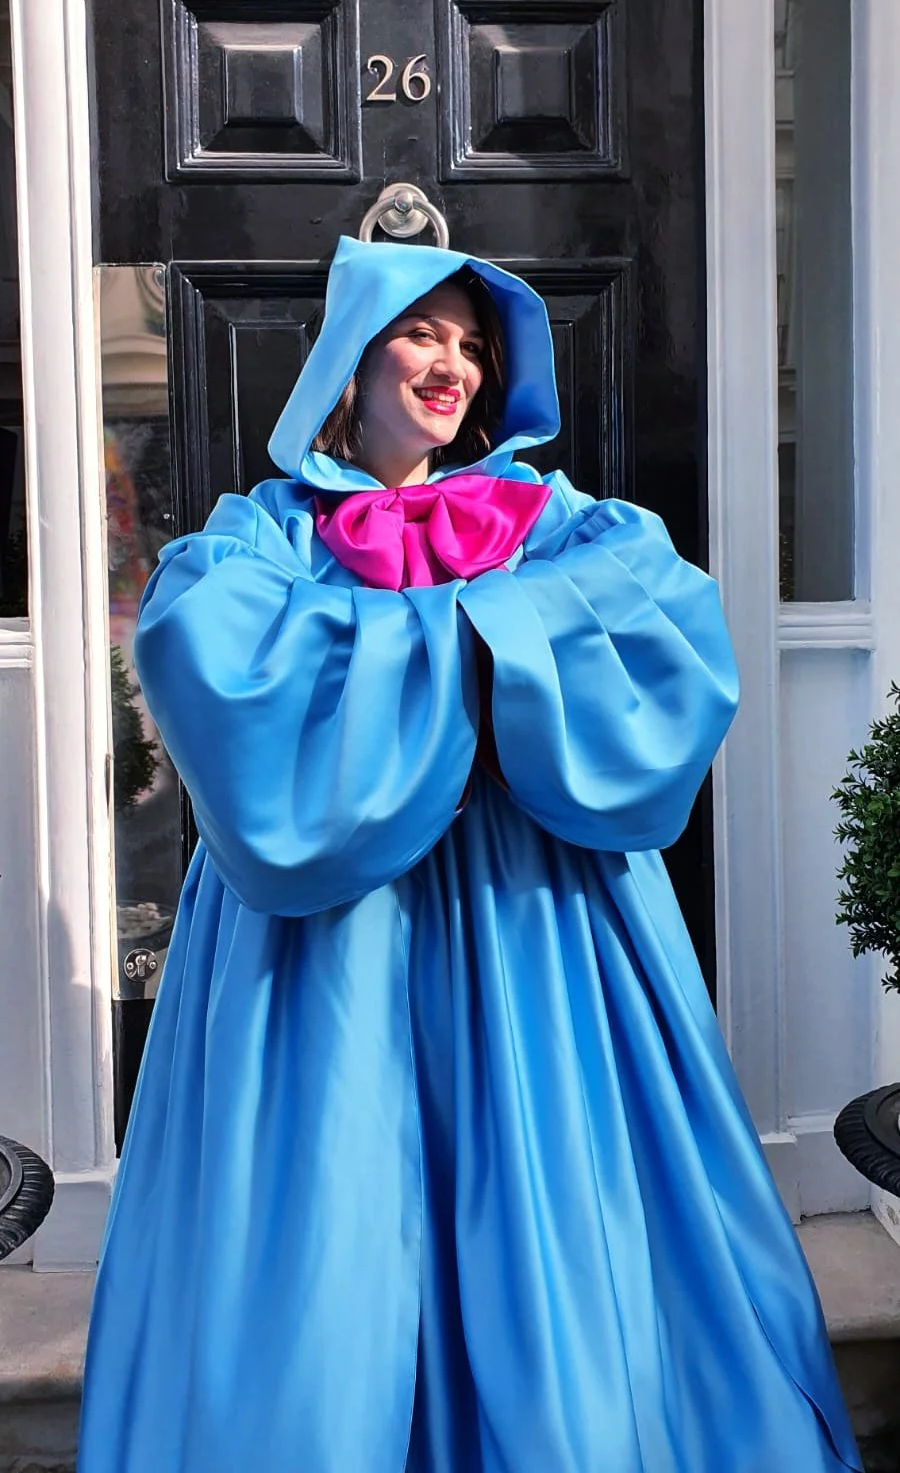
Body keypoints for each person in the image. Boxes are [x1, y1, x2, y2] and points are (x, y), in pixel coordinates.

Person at [78, 236, 862, 1473]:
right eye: (422, 333)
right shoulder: (257, 539)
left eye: (472, 344)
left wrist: (400, 647)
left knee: (545, 1184)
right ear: (350, 360)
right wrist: (487, 653)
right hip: (330, 941)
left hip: (530, 916)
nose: (452, 364)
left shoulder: (549, 517)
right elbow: (211, 657)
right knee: (337, 1202)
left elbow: (661, 614)